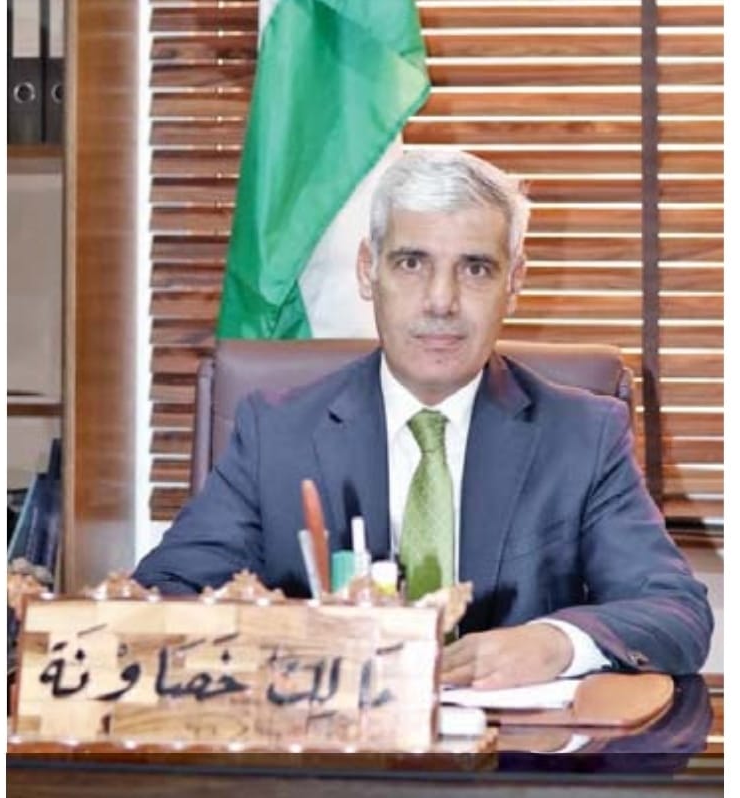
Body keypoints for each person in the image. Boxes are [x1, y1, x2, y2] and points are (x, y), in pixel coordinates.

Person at [134, 150, 713, 688]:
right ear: (368, 270)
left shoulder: (583, 436)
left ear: (514, 283)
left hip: (510, 755)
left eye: (475, 269)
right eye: (412, 263)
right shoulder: (277, 434)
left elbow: (675, 611)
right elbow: (160, 594)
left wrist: (556, 644)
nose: (441, 300)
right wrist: (299, 645)